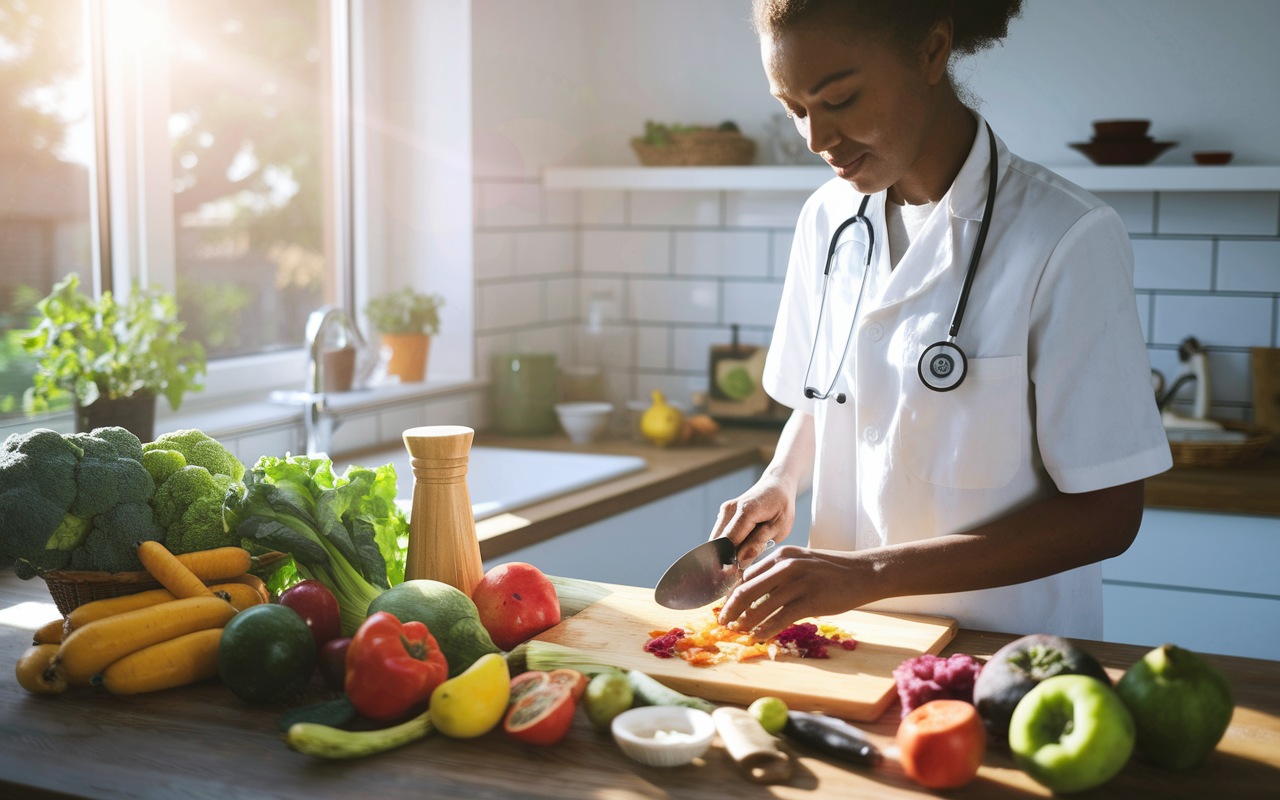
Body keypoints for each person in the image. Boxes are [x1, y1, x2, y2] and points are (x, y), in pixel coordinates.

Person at [711, 0, 1171, 641]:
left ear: (930, 51)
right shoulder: (827, 220)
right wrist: (781, 480)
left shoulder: (1066, 236)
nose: (817, 139)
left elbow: (1108, 514)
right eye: (795, 109)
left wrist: (868, 572)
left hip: (1005, 659)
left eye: (838, 99)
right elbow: (824, 400)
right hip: (849, 650)